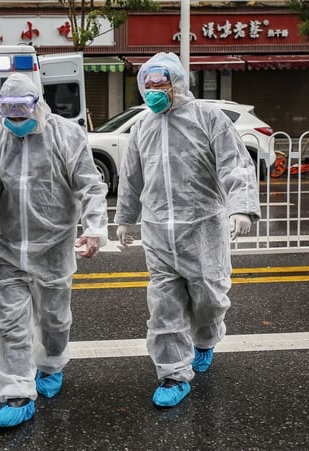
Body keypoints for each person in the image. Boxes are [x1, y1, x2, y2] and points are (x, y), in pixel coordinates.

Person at [114, 52, 260, 408]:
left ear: (177, 83)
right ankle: (172, 374)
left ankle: (206, 339)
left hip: (203, 229)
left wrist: (240, 207)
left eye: (159, 84)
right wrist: (125, 219)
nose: (152, 91)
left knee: (209, 298)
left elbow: (234, 163)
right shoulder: (141, 128)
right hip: (159, 233)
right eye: (147, 85)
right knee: (163, 308)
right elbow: (132, 180)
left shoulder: (207, 117)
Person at [0, 73, 109, 428]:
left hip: (54, 247)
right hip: (7, 248)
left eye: (22, 110)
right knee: (11, 325)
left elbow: (90, 186)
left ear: (39, 104)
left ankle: (52, 362)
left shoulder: (66, 135)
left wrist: (94, 229)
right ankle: (17, 393)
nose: (15, 119)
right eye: (8, 111)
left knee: (54, 320)